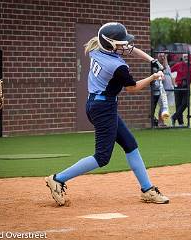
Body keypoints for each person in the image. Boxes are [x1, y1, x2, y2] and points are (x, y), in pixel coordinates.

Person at [45, 22, 169, 206]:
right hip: (103, 109)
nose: (125, 46)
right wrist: (153, 77)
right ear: (110, 43)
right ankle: (58, 178)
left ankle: (147, 189)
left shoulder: (97, 48)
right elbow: (132, 88)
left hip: (96, 104)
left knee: (130, 144)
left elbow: (133, 49)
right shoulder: (118, 66)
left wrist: (152, 61)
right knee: (102, 157)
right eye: (120, 43)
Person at [170, 53, 191, 126]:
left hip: (186, 87)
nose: (186, 58)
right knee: (178, 105)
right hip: (178, 86)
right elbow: (169, 71)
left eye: (187, 57)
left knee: (185, 104)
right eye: (184, 57)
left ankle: (174, 117)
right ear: (182, 57)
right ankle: (180, 123)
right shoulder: (178, 64)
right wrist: (173, 82)